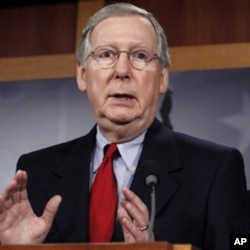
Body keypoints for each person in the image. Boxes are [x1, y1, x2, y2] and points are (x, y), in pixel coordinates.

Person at [0, 3, 249, 249]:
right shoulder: (35, 170)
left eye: (140, 56)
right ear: (82, 74)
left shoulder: (215, 168)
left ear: (162, 78)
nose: (122, 70)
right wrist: (18, 249)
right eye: (106, 54)